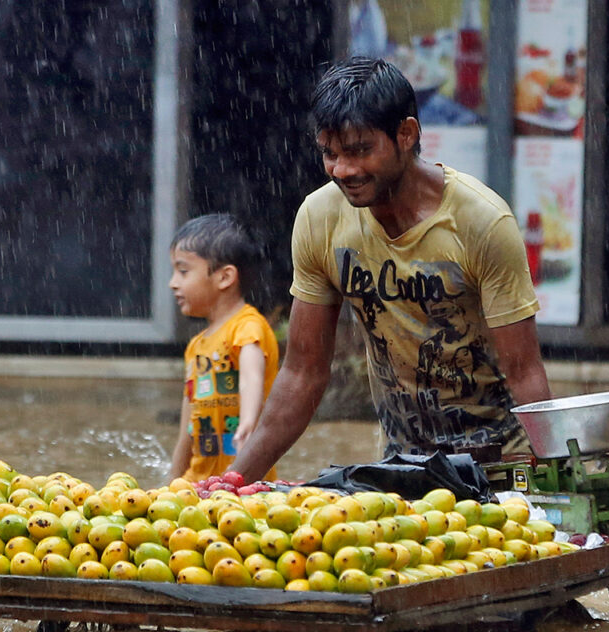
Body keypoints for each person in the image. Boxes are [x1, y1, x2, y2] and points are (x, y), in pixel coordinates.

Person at [228, 56, 552, 482]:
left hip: (500, 468)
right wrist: (234, 480)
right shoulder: (320, 218)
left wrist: (556, 478)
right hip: (402, 469)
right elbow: (303, 372)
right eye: (330, 153)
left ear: (406, 134)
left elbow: (525, 372)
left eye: (361, 150)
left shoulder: (482, 222)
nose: (343, 170)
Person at [167, 214, 280, 484]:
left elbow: (252, 375)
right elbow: (187, 428)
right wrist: (170, 483)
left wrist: (249, 423)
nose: (173, 282)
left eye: (183, 271)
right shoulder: (196, 347)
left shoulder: (247, 327)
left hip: (246, 484)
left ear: (224, 277)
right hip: (197, 482)